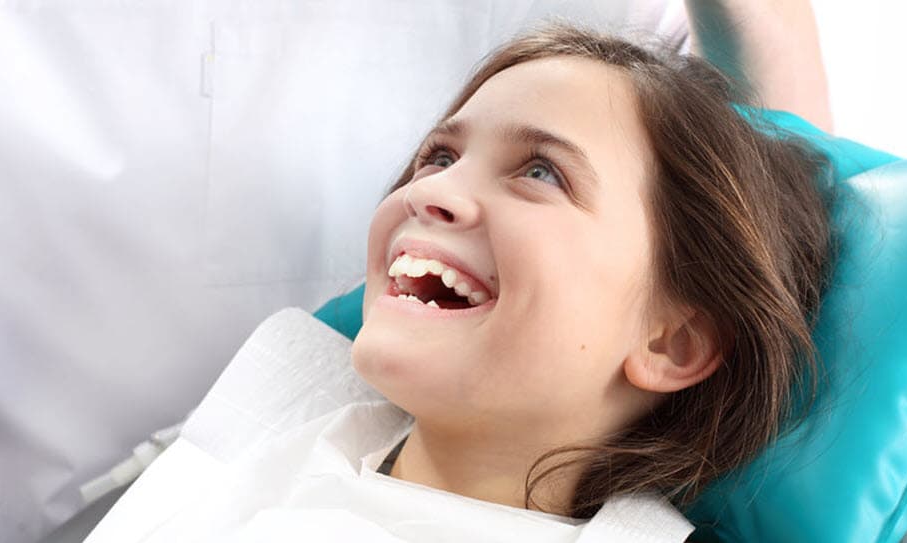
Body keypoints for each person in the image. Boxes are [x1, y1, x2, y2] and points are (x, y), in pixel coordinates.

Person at [86, 21, 832, 542]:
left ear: (672, 339)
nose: (427, 191)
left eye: (541, 171)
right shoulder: (273, 421)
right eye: (438, 157)